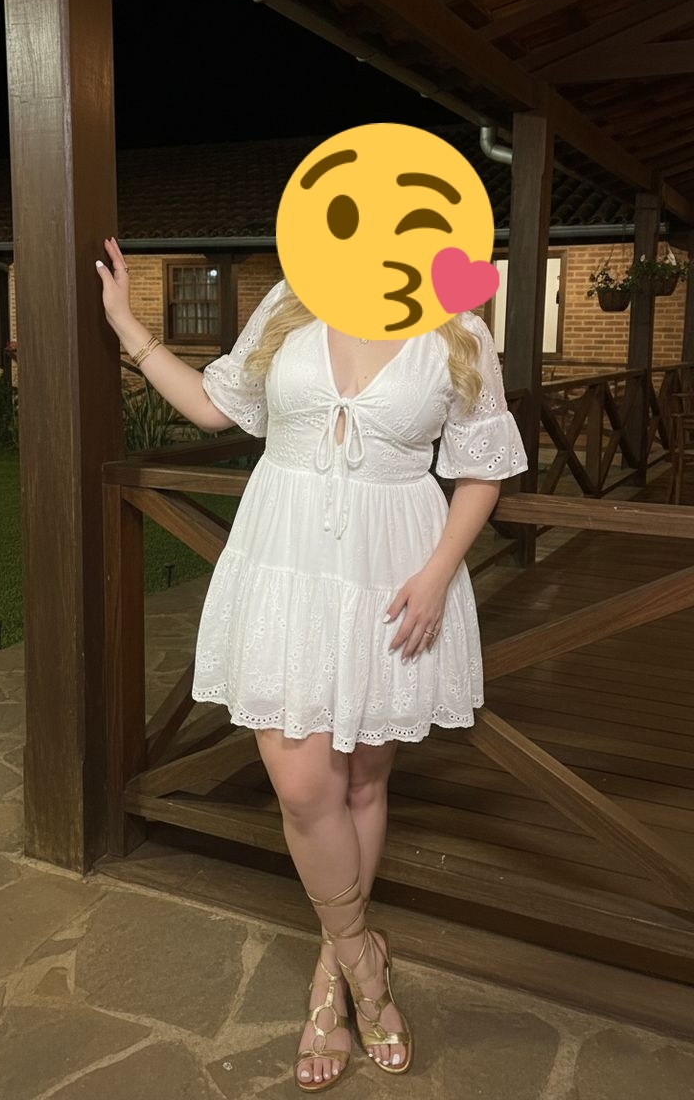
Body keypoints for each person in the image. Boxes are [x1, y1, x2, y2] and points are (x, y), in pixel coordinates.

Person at [96, 237, 528, 1092]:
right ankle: (365, 960)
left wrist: (439, 573)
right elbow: (215, 407)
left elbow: (482, 470)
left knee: (364, 782)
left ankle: (333, 971)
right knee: (302, 787)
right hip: (284, 565)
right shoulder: (293, 299)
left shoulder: (458, 327)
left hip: (393, 577)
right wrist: (127, 326)